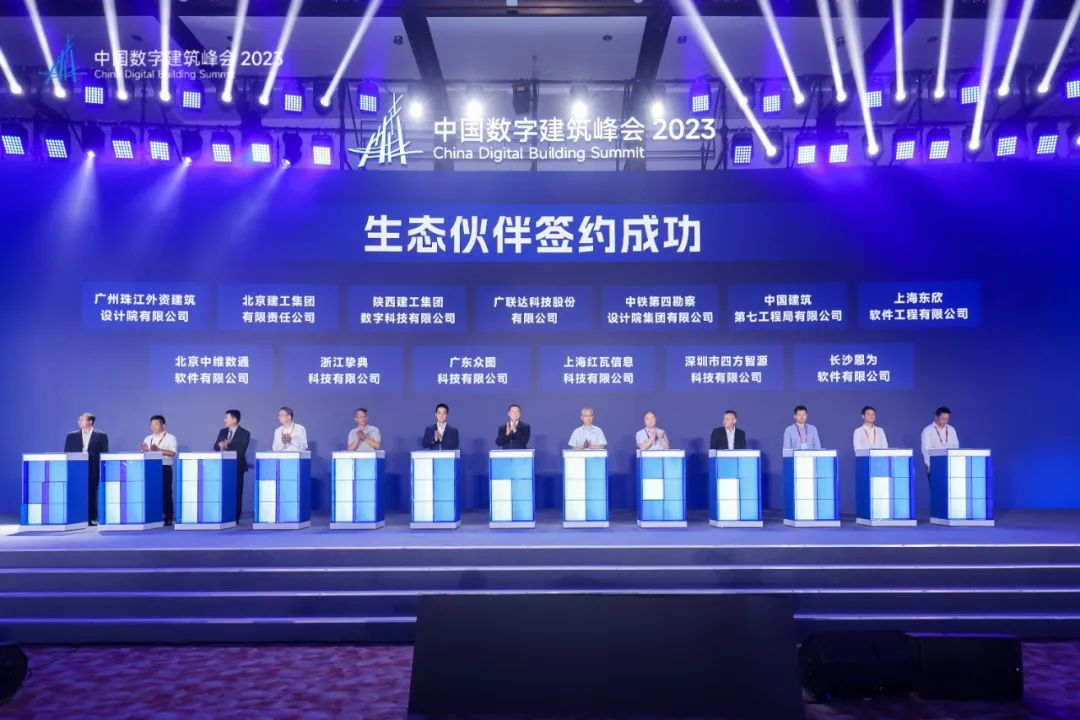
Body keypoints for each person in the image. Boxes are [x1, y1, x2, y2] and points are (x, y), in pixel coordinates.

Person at [64, 412, 109, 526]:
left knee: (92, 494)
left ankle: (92, 518)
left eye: (81, 420)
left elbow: (104, 453)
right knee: (77, 493)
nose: (78, 422)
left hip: (93, 469)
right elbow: (66, 453)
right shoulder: (71, 436)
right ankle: (77, 517)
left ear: (90, 421)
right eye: (79, 420)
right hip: (76, 470)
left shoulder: (101, 435)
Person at [139, 415, 178, 525]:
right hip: (150, 468)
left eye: (156, 424)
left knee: (166, 492)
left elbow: (173, 453)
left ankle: (168, 517)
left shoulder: (170, 437)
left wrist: (158, 449)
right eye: (151, 424)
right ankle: (153, 516)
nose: (153, 427)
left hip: (164, 467)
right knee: (151, 491)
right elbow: (145, 454)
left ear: (163, 425)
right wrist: (144, 450)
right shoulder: (148, 438)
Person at [214, 409, 250, 523]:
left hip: (237, 467)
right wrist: (220, 447)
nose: (224, 420)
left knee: (237, 493)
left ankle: (235, 518)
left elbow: (241, 450)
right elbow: (216, 447)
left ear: (234, 419)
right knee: (223, 492)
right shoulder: (223, 431)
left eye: (227, 418)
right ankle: (224, 516)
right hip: (223, 467)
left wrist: (227, 447)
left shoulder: (244, 433)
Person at [921, 406, 960, 479]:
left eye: (947, 419)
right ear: (936, 417)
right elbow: (925, 450)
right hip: (935, 466)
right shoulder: (928, 431)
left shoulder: (951, 429)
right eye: (943, 419)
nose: (945, 421)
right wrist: (931, 466)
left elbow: (956, 446)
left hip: (950, 466)